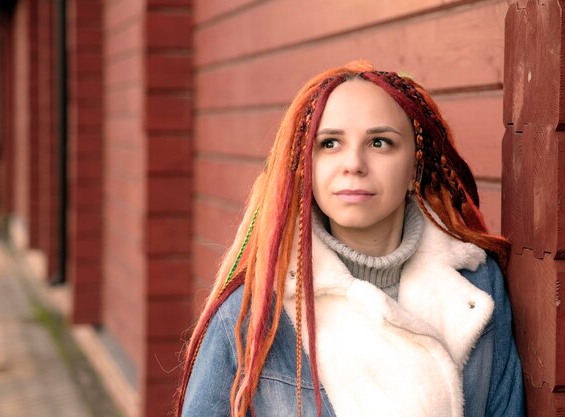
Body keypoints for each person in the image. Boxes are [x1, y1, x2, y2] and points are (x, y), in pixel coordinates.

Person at [175, 61, 525, 417]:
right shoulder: (255, 312)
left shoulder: (478, 284)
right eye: (329, 143)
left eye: (379, 142)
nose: (353, 163)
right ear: (306, 166)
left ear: (414, 169)